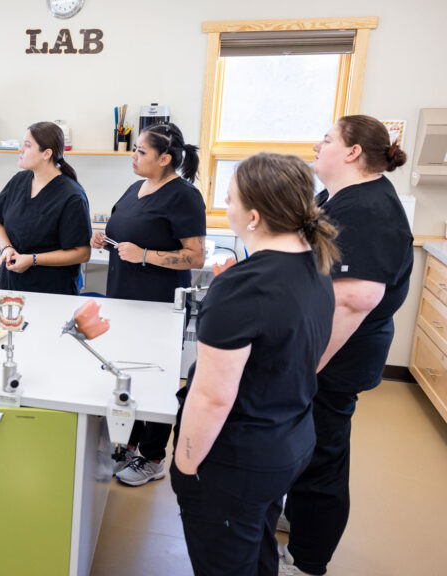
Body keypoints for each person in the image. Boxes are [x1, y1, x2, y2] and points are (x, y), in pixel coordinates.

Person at [171, 153, 338, 576]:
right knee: (257, 547)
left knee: (225, 561)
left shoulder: (243, 287)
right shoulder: (316, 263)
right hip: (290, 440)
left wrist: (185, 468)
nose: (225, 207)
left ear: (254, 216)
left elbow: (211, 397)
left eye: (229, 200)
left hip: (237, 462)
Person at [281, 116, 413, 576]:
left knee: (321, 455)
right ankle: (298, 525)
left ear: (353, 152)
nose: (317, 145)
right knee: (302, 446)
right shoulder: (337, 198)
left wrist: (305, 367)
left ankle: (308, 560)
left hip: (333, 359)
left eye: (327, 139)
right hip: (319, 346)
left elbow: (355, 300)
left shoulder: (369, 211)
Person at [91, 122, 206, 486]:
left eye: (141, 151)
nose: (134, 156)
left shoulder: (184, 196)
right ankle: (131, 442)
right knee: (127, 371)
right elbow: (127, 236)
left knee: (157, 378)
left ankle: (153, 457)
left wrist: (146, 255)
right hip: (123, 299)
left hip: (159, 305)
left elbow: (196, 257)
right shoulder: (135, 187)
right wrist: (105, 239)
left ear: (165, 158)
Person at [0, 121, 91, 295]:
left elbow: (82, 253)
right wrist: (6, 249)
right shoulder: (18, 181)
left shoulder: (71, 196)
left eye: (27, 146)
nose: (20, 149)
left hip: (52, 291)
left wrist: (32, 260)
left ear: (47, 153)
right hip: (12, 286)